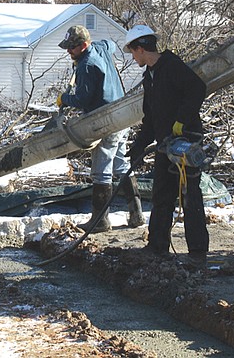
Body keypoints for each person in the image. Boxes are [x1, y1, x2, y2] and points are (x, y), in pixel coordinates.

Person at [124, 25, 208, 264]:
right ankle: (157, 246)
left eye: (133, 52)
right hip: (165, 144)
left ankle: (198, 253)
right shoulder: (149, 78)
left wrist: (182, 120)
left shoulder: (171, 66)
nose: (133, 57)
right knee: (162, 194)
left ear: (141, 49)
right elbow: (150, 117)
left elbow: (197, 88)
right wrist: (139, 145)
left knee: (189, 196)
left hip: (185, 142)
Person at [57, 25, 145, 232]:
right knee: (121, 165)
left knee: (101, 171)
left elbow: (82, 99)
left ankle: (100, 220)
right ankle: (136, 214)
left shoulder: (86, 65)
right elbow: (111, 44)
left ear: (84, 45)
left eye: (72, 48)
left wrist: (64, 98)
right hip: (122, 114)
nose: (69, 52)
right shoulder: (101, 47)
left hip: (105, 120)